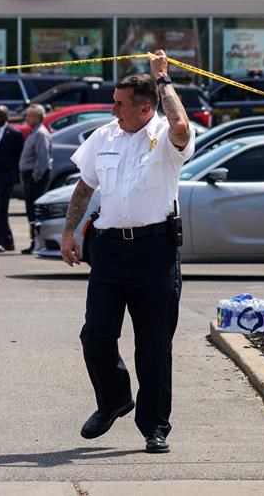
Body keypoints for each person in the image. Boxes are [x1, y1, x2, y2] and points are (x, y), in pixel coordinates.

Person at [60, 50, 193, 455]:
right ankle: (114, 399)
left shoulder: (166, 138)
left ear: (144, 107)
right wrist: (70, 231)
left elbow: (182, 126)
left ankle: (154, 426)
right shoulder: (103, 136)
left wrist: (163, 77)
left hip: (155, 252)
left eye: (120, 103)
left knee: (153, 344)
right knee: (95, 334)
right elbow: (85, 186)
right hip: (111, 250)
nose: (113, 109)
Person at [0, 105, 24, 252]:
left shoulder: (14, 134)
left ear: (6, 118)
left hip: (7, 177)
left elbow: (18, 155)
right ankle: (9, 241)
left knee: (2, 210)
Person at [18, 103, 52, 254]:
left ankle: (38, 242)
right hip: (29, 176)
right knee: (30, 211)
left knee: (34, 211)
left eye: (30, 116)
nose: (27, 118)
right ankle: (34, 241)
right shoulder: (34, 132)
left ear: (38, 118)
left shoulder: (40, 133)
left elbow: (43, 158)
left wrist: (36, 175)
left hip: (35, 177)